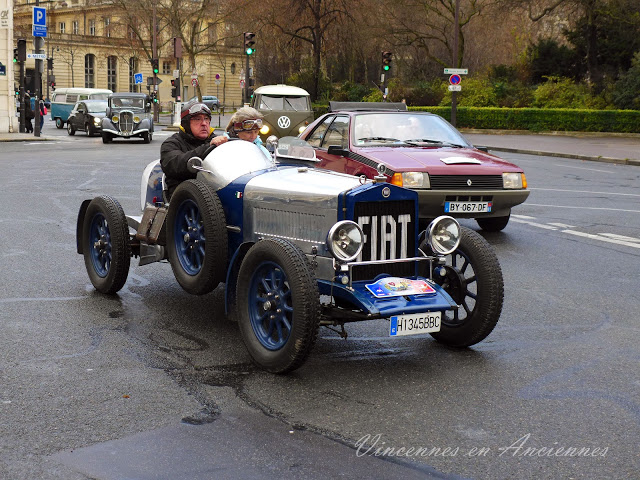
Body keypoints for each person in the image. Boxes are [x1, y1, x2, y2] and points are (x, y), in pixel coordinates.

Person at [160, 100, 228, 199]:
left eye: (206, 119)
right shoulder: (171, 143)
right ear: (186, 123)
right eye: (197, 119)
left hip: (217, 195)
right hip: (184, 202)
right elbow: (175, 165)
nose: (204, 123)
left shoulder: (217, 142)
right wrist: (208, 147)